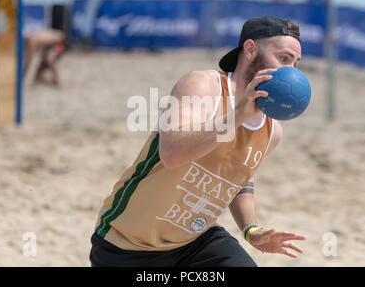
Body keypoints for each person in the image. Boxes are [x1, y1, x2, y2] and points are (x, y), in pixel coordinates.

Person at [90, 16, 307, 267]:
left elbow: (239, 176)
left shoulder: (272, 131)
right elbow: (172, 153)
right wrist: (238, 115)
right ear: (249, 50)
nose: (291, 71)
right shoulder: (203, 86)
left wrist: (251, 230)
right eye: (283, 58)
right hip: (126, 244)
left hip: (194, 243)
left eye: (295, 63)